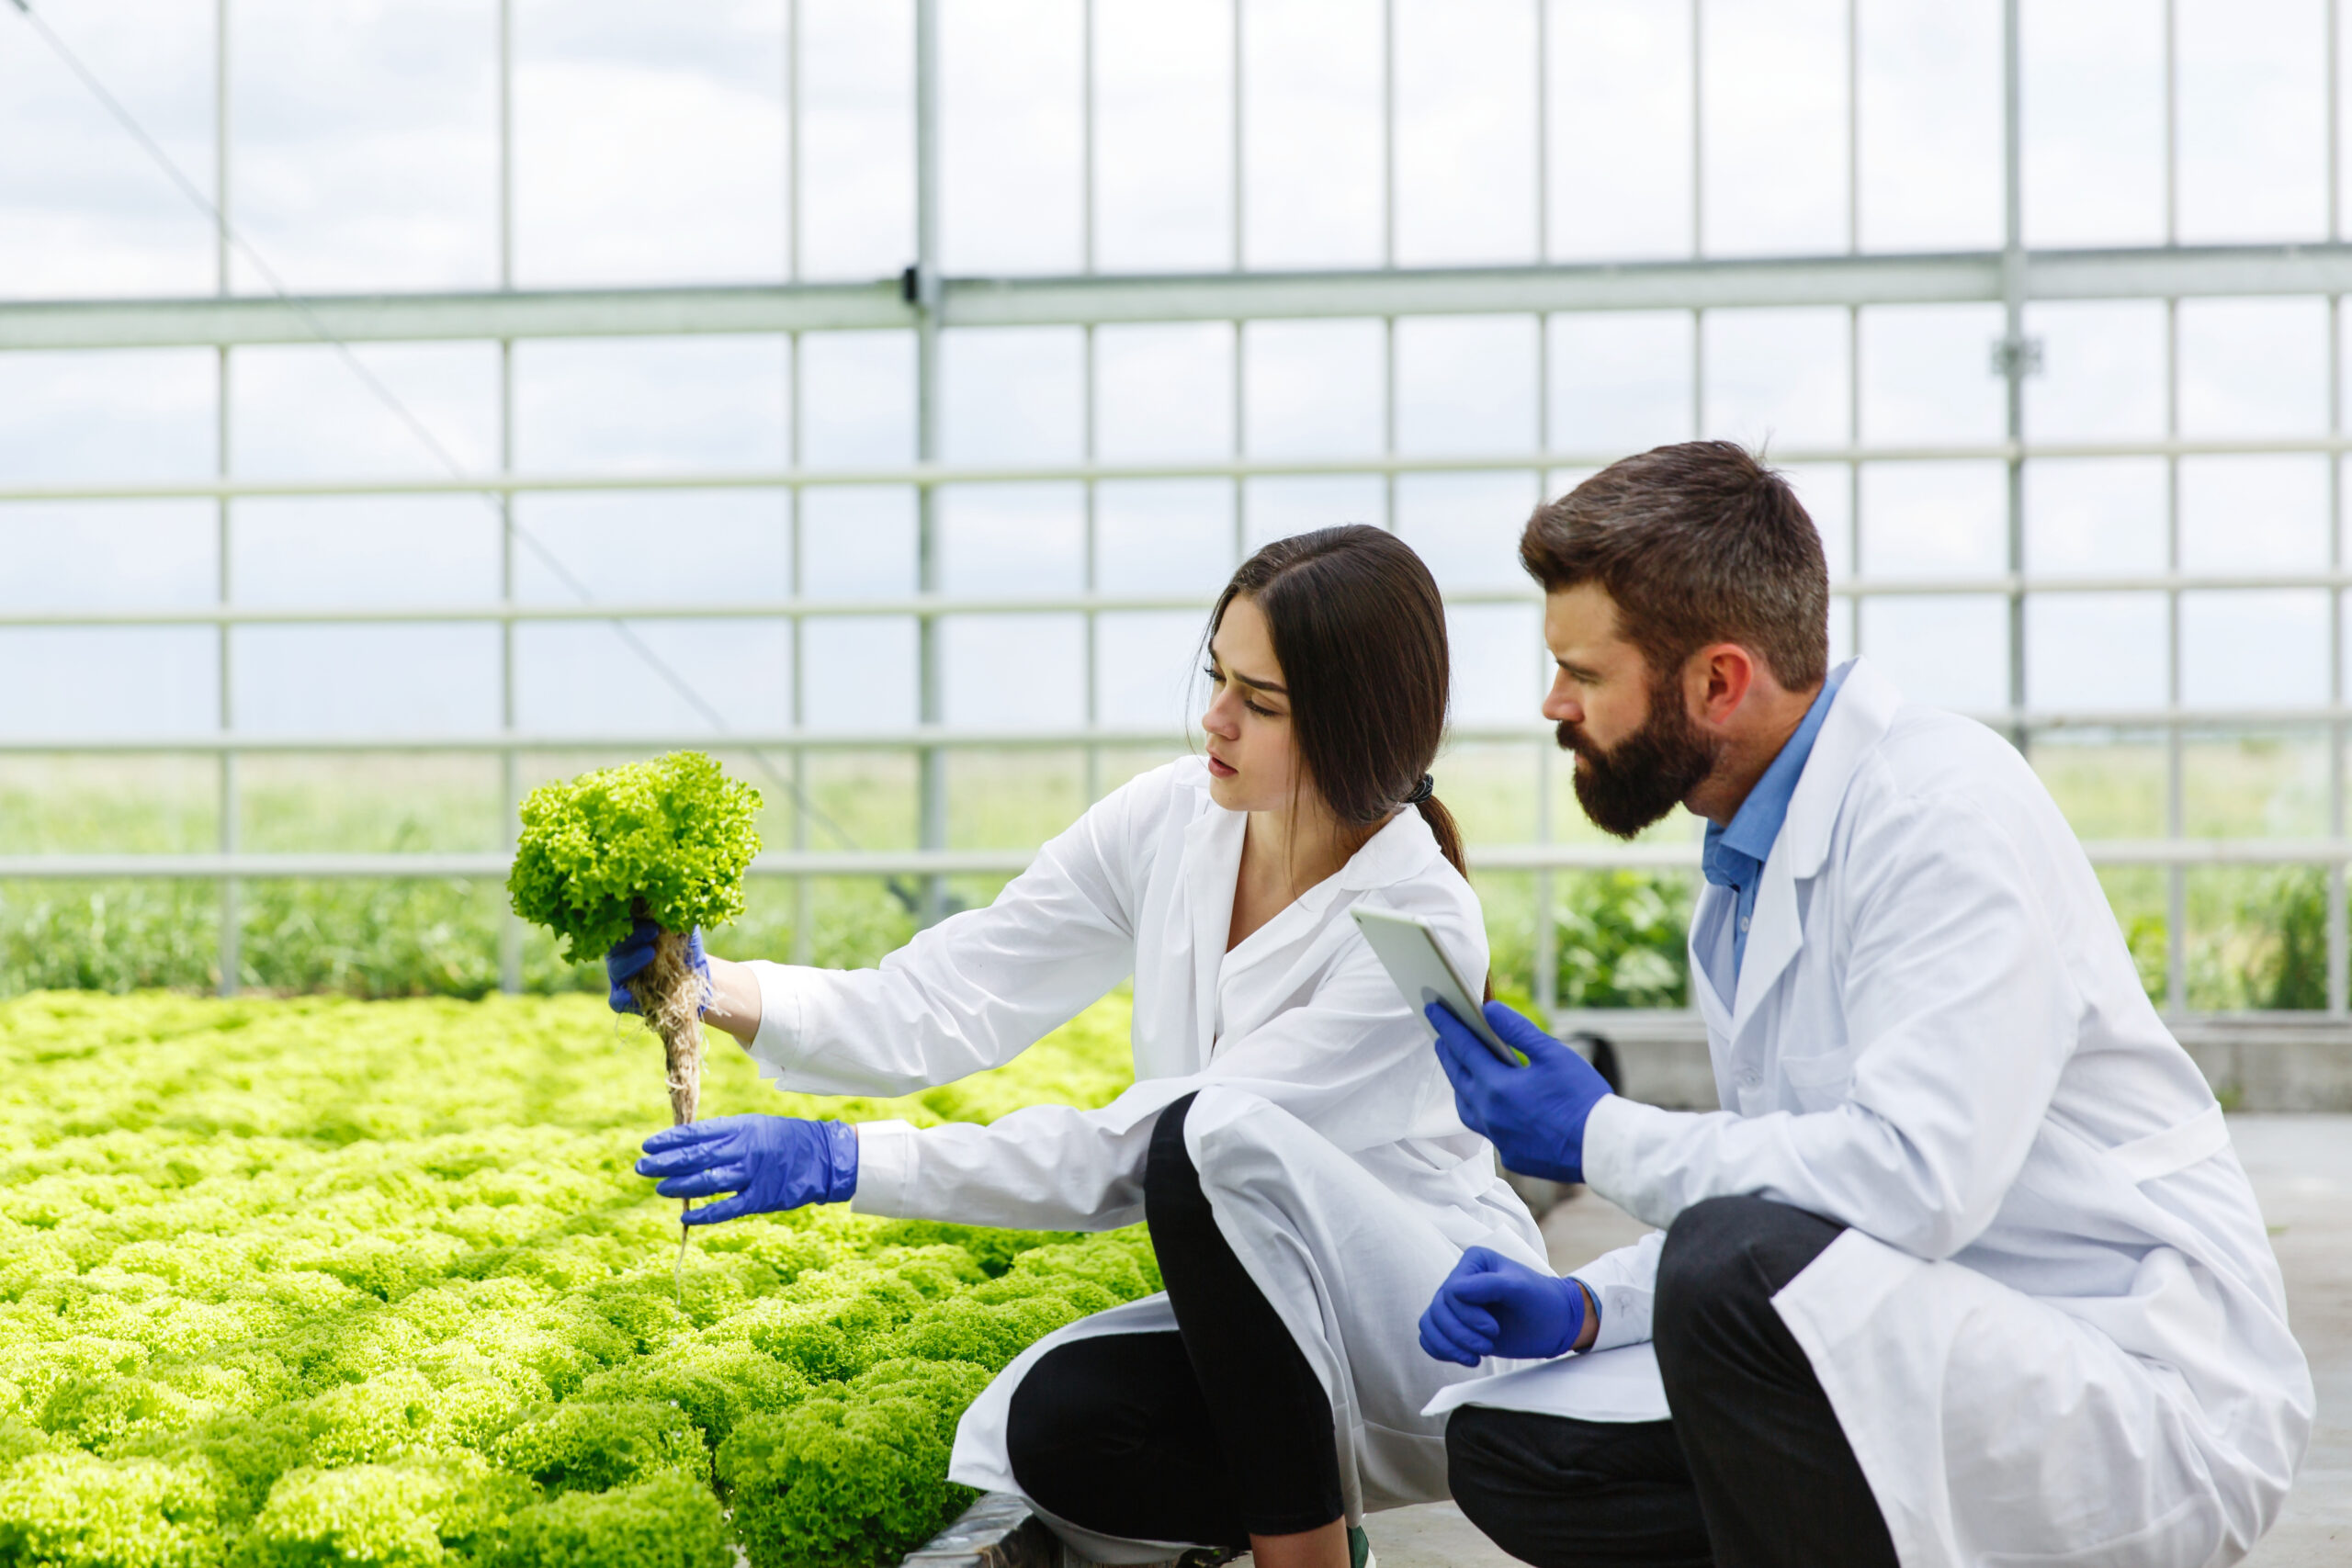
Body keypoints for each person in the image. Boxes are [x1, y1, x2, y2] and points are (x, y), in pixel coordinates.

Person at [1413, 441, 2312, 1568]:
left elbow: (1907, 1186)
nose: (1554, 705)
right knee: (1512, 1448)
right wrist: (1586, 1309)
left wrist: (1593, 1134)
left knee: (1728, 1268)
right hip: (1940, 1335)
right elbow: (1805, 1196)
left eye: (1585, 675)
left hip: (2128, 1381)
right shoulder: (1746, 869)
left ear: (1717, 682)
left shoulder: (1939, 815)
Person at [607, 525, 1550, 1568]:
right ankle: (1291, 1528)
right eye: (1216, 677)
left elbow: (1143, 1152)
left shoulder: (1415, 919)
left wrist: (844, 1162)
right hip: (1262, 1316)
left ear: (1356, 726)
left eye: (1260, 702)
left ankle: (1313, 1558)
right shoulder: (1172, 818)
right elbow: (957, 989)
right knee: (1057, 1427)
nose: (1215, 719)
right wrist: (718, 990)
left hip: (1419, 1321)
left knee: (1203, 1145)